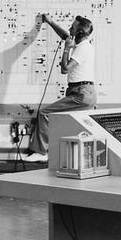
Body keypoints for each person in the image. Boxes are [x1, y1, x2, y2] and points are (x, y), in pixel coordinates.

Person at [21, 14, 96, 161]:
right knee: (64, 121)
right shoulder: (83, 44)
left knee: (44, 113)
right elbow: (65, 35)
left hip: (81, 95)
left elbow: (65, 69)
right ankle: (54, 153)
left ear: (80, 33)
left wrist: (66, 49)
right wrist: (50, 22)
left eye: (73, 27)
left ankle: (41, 152)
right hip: (83, 93)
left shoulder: (82, 49)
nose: (70, 29)